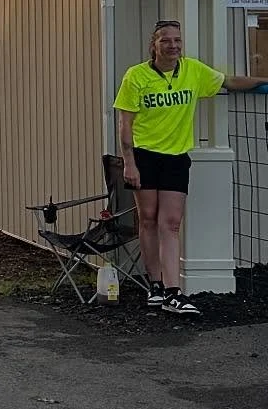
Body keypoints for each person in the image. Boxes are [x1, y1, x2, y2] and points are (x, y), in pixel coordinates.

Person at [114, 19, 268, 316]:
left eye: (177, 40)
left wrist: (263, 80)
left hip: (176, 156)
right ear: (154, 44)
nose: (173, 45)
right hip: (144, 155)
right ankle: (155, 285)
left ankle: (173, 292)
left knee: (170, 223)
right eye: (166, 40)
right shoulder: (136, 76)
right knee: (147, 219)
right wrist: (129, 163)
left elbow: (229, 81)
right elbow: (126, 124)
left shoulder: (193, 71)